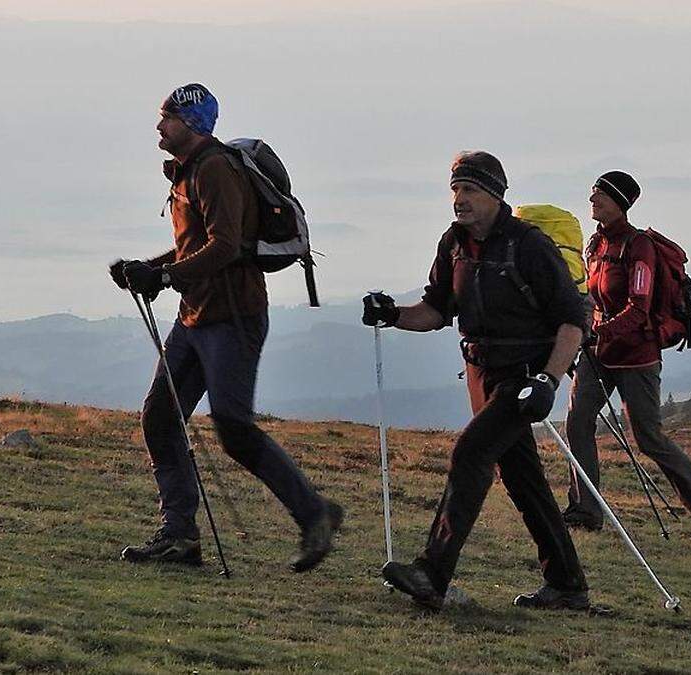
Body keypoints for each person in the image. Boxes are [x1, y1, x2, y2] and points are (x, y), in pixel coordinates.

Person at [108, 83, 342, 571]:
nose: (158, 126)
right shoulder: (191, 171)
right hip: (197, 315)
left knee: (233, 428)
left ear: (192, 124)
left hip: (231, 318)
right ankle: (179, 536)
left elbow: (225, 245)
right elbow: (199, 244)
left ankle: (314, 513)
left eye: (167, 117)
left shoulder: (213, 168)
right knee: (160, 417)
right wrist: (147, 268)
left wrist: (165, 275)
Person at [363, 151, 605, 612]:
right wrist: (392, 314)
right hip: (482, 372)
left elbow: (573, 321)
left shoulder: (529, 245)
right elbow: (436, 309)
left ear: (495, 195)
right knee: (523, 480)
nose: (460, 199)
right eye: (455, 189)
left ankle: (432, 573)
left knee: (471, 451)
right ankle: (568, 586)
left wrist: (549, 381)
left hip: (524, 377)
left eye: (470, 190)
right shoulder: (453, 245)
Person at [561, 171, 691, 541]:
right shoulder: (595, 245)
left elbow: (639, 309)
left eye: (599, 194)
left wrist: (597, 332)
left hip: (636, 356)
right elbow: (592, 295)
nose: (592, 200)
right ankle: (585, 510)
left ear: (619, 202)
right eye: (592, 193)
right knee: (577, 423)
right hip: (599, 353)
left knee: (649, 438)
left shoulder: (639, 248)